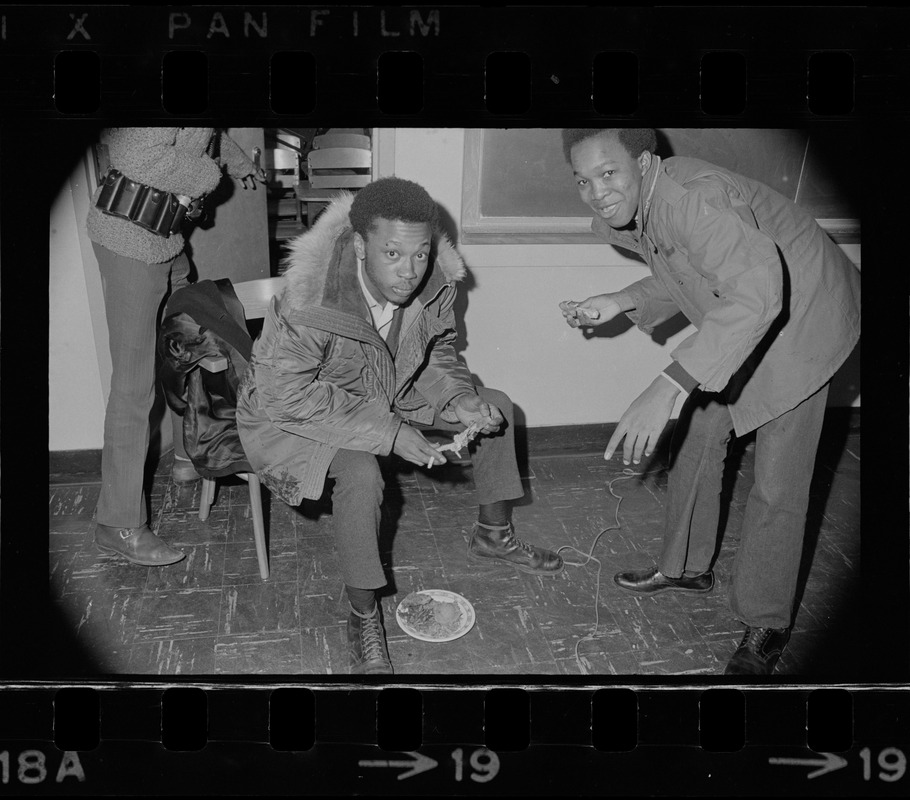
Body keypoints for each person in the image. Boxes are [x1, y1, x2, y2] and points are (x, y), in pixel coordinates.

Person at [559, 128, 860, 675]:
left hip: (804, 321)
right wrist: (621, 300)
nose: (597, 191)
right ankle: (686, 567)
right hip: (749, 314)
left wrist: (670, 383)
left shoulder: (692, 197)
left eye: (608, 173)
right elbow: (686, 273)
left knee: (778, 482)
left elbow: (758, 290)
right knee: (699, 435)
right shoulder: (646, 204)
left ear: (644, 163)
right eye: (583, 179)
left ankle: (767, 623)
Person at [237, 176, 563, 675]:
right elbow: (287, 395)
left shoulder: (434, 286)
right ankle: (363, 612)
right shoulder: (309, 300)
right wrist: (389, 432)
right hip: (296, 415)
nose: (409, 271)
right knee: (361, 472)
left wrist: (459, 398)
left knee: (496, 405)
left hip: (384, 389)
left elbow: (435, 352)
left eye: (420, 254)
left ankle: (493, 535)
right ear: (362, 245)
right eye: (392, 254)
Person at [87, 127, 263, 567]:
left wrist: (241, 164)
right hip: (130, 240)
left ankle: (191, 452)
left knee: (187, 346)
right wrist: (209, 174)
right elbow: (133, 152)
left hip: (165, 236)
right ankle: (118, 525)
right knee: (133, 388)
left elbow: (210, 132)